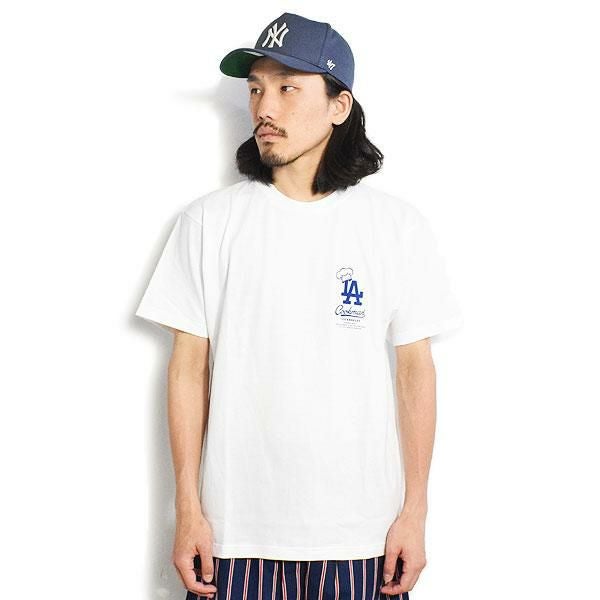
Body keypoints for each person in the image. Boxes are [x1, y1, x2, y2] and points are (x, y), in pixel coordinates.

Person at [135, 12, 463, 600]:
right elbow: (187, 370)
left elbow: (416, 371)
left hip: (362, 537)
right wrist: (187, 509)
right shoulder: (209, 223)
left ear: (339, 106)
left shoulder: (395, 228)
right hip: (233, 536)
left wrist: (415, 512)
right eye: (255, 89)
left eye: (288, 88)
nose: (265, 107)